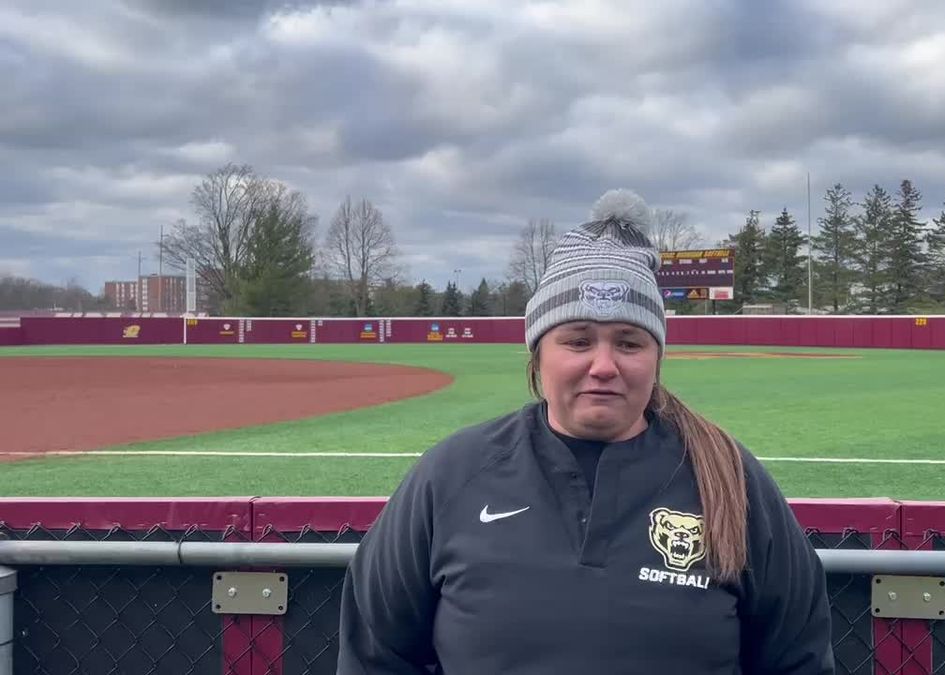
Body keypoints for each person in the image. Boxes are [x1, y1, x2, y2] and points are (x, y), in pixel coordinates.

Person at [337, 189, 835, 674]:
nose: (604, 365)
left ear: (657, 356)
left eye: (629, 342)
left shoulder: (729, 478)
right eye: (578, 340)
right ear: (538, 354)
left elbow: (798, 659)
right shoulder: (452, 475)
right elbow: (376, 655)